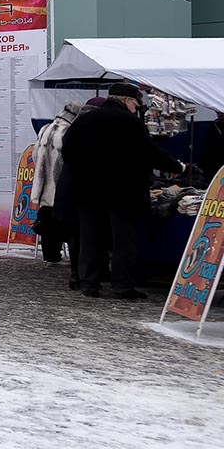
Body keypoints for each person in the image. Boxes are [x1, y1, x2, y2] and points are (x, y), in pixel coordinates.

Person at [61, 83, 185, 300]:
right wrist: (177, 167)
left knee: (90, 239)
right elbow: (150, 151)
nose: (136, 108)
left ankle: (89, 283)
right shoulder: (130, 122)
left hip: (87, 191)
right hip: (122, 193)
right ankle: (122, 286)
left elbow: (67, 150)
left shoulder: (84, 120)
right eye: (136, 104)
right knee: (122, 241)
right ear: (127, 101)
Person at [32, 101, 88, 282]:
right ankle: (66, 257)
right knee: (67, 221)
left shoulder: (45, 129)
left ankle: (51, 255)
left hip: (44, 181)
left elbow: (35, 154)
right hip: (61, 182)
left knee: (47, 216)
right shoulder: (68, 132)